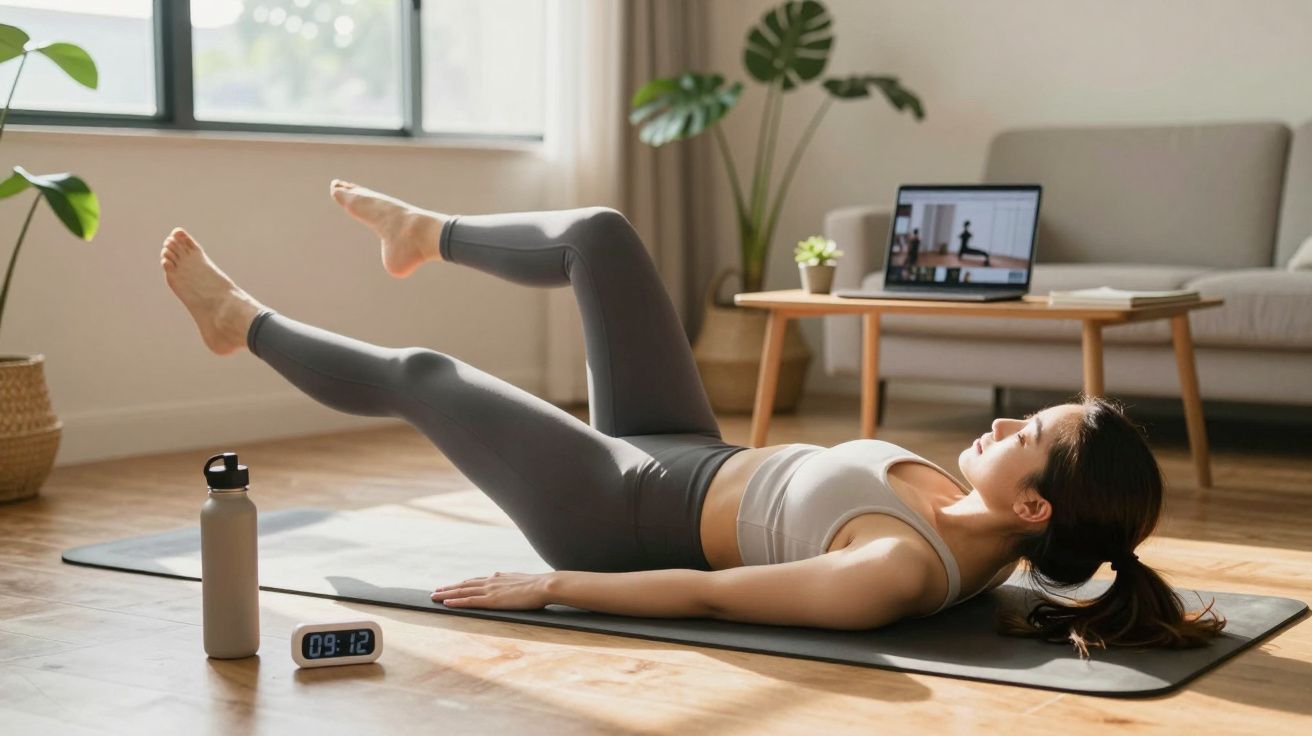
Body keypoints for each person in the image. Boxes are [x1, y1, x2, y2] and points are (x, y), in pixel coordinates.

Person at [159, 181, 1225, 656]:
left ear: (1034, 501)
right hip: (689, 446)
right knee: (602, 234)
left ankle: (238, 322)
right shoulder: (986, 528)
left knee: (428, 374)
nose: (996, 425)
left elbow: (714, 598)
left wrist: (554, 585)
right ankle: (429, 233)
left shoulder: (895, 573)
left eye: (1019, 435)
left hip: (617, 511)